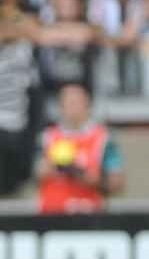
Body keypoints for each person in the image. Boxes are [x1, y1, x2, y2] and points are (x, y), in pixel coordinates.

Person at [35, 82, 125, 214]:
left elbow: (117, 182)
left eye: (76, 102)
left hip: (89, 219)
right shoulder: (46, 138)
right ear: (60, 107)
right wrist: (45, 169)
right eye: (68, 103)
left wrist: (93, 179)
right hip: (51, 218)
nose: (72, 107)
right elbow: (34, 174)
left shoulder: (103, 139)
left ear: (87, 105)